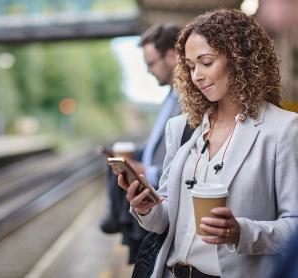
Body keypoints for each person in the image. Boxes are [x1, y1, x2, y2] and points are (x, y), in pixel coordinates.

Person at [118, 9, 298, 278]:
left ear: (240, 59)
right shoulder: (180, 128)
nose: (196, 76)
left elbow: (294, 226)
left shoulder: (284, 129)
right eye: (190, 66)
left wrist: (241, 232)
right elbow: (167, 219)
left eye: (206, 62)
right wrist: (147, 208)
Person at [100, 24, 182, 263]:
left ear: (171, 56)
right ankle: (115, 217)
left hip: (163, 201)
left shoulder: (186, 101)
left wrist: (148, 171)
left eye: (151, 63)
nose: (148, 71)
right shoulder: (169, 97)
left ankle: (114, 218)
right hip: (153, 205)